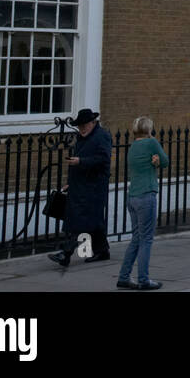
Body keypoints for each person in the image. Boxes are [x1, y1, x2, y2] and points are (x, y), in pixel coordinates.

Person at [48, 108, 112, 268]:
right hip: (79, 185)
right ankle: (102, 251)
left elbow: (104, 159)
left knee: (81, 220)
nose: (81, 128)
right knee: (94, 220)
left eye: (84, 125)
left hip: (94, 186)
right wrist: (70, 181)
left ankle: (66, 253)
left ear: (93, 123)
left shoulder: (102, 136)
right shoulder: (81, 137)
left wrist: (81, 161)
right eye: (79, 126)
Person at [117, 116, 169, 290]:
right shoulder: (151, 143)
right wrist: (157, 159)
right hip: (146, 196)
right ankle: (144, 279)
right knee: (146, 239)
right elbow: (166, 162)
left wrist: (154, 162)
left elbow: (150, 164)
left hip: (132, 197)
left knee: (136, 239)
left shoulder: (132, 147)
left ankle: (124, 277)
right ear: (149, 130)